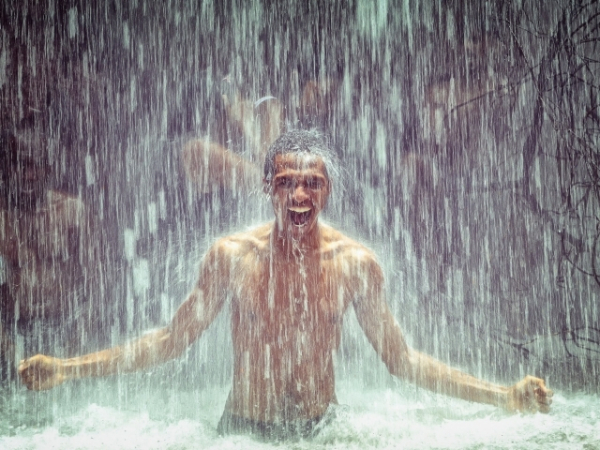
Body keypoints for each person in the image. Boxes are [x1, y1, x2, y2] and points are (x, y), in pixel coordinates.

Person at [19, 130, 552, 440]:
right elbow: (167, 341)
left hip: (324, 435)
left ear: (328, 190)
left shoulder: (355, 264)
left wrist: (502, 395)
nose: (300, 193)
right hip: (242, 435)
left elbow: (404, 360)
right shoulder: (232, 257)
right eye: (286, 182)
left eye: (312, 182)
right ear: (267, 189)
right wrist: (68, 368)